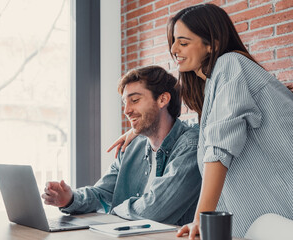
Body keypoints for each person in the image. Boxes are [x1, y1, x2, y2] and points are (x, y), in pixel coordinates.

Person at [108, 3, 293, 239]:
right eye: (173, 41)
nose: (174, 49)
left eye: (183, 42)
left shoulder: (230, 65)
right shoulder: (213, 85)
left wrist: (200, 219)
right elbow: (209, 133)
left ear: (211, 44)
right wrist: (140, 130)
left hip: (280, 218)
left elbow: (219, 146)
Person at [42, 65, 201, 226]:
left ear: (162, 99)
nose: (126, 110)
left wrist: (112, 211)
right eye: (125, 102)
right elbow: (102, 194)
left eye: (135, 100)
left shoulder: (190, 146)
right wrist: (70, 199)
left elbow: (153, 210)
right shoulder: (132, 147)